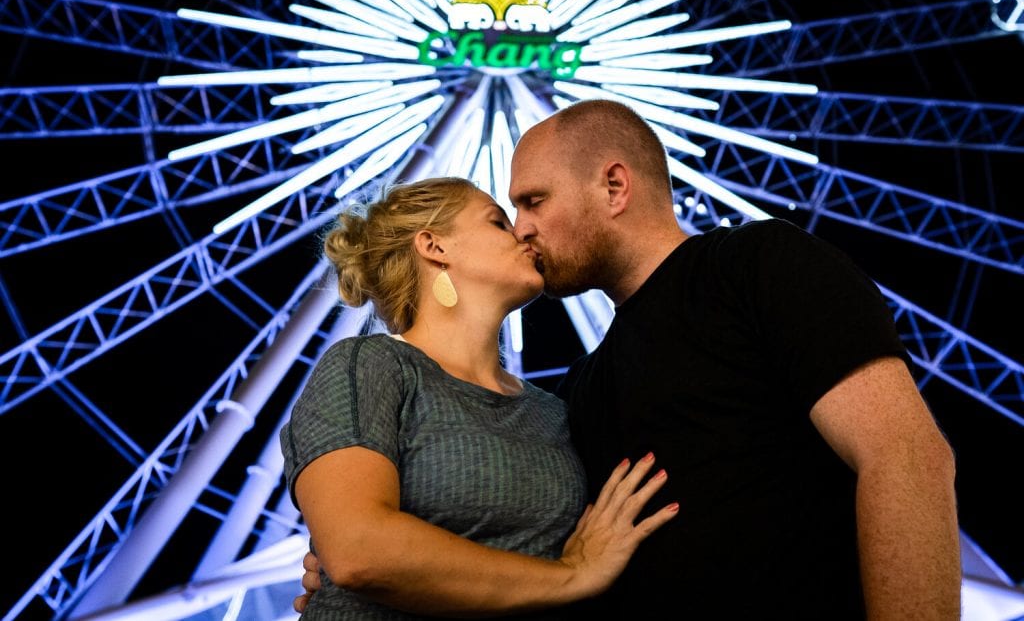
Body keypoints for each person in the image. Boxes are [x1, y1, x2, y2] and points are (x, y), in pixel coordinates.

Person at [297, 100, 962, 618]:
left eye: (533, 202)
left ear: (615, 185)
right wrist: (355, 562)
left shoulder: (758, 267)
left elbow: (906, 456)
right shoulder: (578, 392)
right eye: (506, 214)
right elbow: (542, 541)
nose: (524, 228)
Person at [279, 175, 678, 620]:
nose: (524, 233)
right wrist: (574, 575)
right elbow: (358, 551)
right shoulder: (371, 366)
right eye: (498, 222)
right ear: (434, 246)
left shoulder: (554, 411)